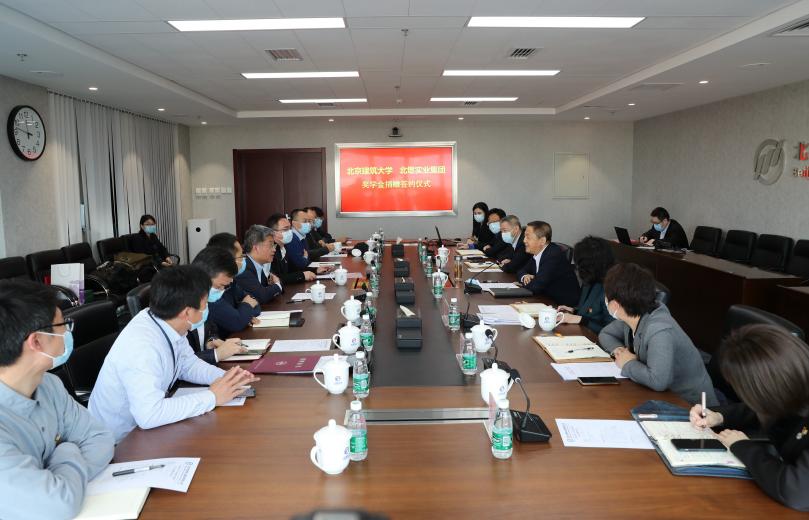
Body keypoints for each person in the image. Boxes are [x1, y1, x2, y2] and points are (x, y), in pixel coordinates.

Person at [89, 265, 258, 442]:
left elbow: (187, 364)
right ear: (187, 312)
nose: (207, 309)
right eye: (205, 305)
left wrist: (226, 378)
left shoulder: (167, 322)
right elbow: (149, 415)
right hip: (119, 441)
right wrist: (212, 397)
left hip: (147, 428)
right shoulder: (142, 347)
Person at [0, 281, 114, 520]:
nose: (68, 332)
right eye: (63, 324)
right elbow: (58, 506)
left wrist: (60, 483)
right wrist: (68, 449)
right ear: (36, 342)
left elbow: (100, 439)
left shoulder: (49, 384)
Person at [690, 325, 809, 511]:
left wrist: (743, 447)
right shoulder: (792, 389)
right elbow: (768, 407)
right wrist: (719, 416)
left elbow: (797, 492)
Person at [598, 263, 716, 405]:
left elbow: (658, 381)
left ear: (616, 304)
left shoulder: (659, 330)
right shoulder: (633, 314)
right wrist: (619, 351)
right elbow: (605, 334)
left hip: (691, 404)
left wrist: (628, 363)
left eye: (607, 296)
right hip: (658, 396)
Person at [190, 246, 254, 362]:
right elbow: (179, 362)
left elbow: (211, 330)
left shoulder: (206, 300)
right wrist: (216, 354)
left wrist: (211, 341)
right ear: (202, 277)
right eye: (219, 286)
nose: (221, 291)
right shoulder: (178, 307)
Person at [205, 233, 261, 337]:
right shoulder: (212, 288)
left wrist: (244, 314)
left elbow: (255, 302)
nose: (244, 260)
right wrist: (244, 310)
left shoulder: (231, 281)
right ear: (227, 260)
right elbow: (237, 322)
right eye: (241, 257)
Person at [559, 236, 616, 333]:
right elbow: (591, 310)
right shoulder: (590, 279)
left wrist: (581, 320)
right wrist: (574, 311)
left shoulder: (611, 289)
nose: (577, 268)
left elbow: (612, 332)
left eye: (580, 264)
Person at [517, 221, 580, 306]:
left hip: (563, 305)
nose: (524, 240)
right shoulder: (538, 253)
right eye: (524, 236)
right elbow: (521, 271)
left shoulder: (553, 255)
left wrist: (527, 282)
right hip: (545, 298)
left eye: (528, 237)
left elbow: (536, 287)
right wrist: (524, 276)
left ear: (542, 240)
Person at [266, 213, 330, 284]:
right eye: (285, 229)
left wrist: (316, 270)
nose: (290, 232)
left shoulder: (284, 247)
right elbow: (276, 278)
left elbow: (292, 269)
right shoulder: (271, 252)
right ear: (273, 232)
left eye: (290, 228)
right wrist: (302, 276)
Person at [233, 225, 283, 304]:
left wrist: (276, 285)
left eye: (274, 245)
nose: (274, 250)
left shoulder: (259, 265)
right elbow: (262, 296)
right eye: (270, 245)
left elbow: (278, 286)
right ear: (256, 248)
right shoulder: (244, 268)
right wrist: (277, 285)